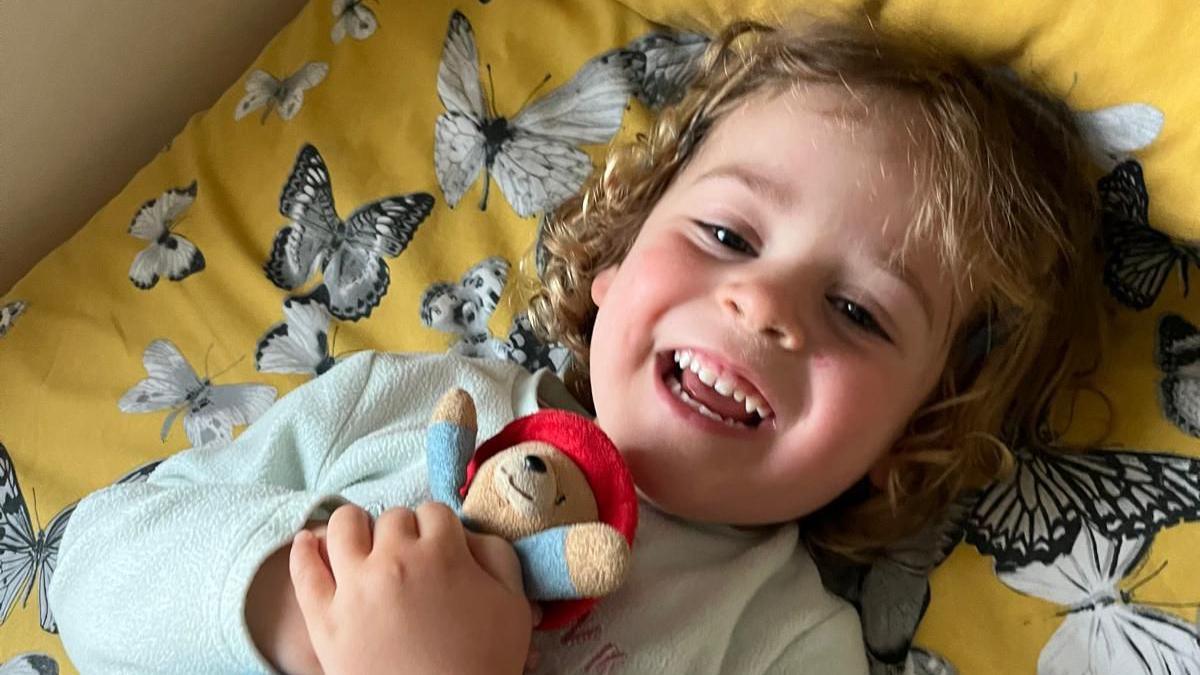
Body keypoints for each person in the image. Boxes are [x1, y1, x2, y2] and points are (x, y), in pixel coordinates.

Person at [49, 16, 1103, 675]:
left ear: (910, 435)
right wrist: (296, 611)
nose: (764, 305)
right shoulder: (408, 398)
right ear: (614, 259)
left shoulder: (782, 644)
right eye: (727, 236)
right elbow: (91, 571)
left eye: (861, 312)